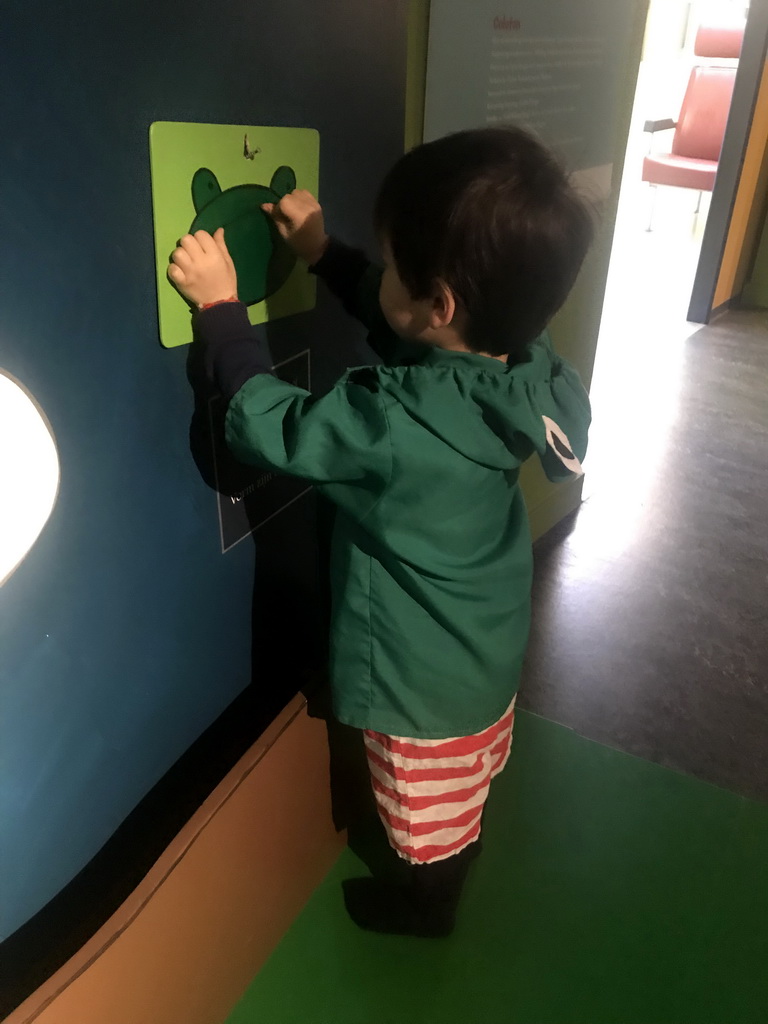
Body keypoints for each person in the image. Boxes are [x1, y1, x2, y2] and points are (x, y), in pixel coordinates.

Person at [168, 126, 594, 938]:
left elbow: (271, 426)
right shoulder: (524, 362)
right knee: (459, 789)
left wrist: (222, 311)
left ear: (440, 305)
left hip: (418, 679)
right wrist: (326, 253)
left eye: (394, 263)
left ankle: (425, 906)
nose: (383, 273)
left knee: (428, 825)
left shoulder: (400, 421)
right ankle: (441, 859)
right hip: (481, 645)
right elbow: (405, 320)